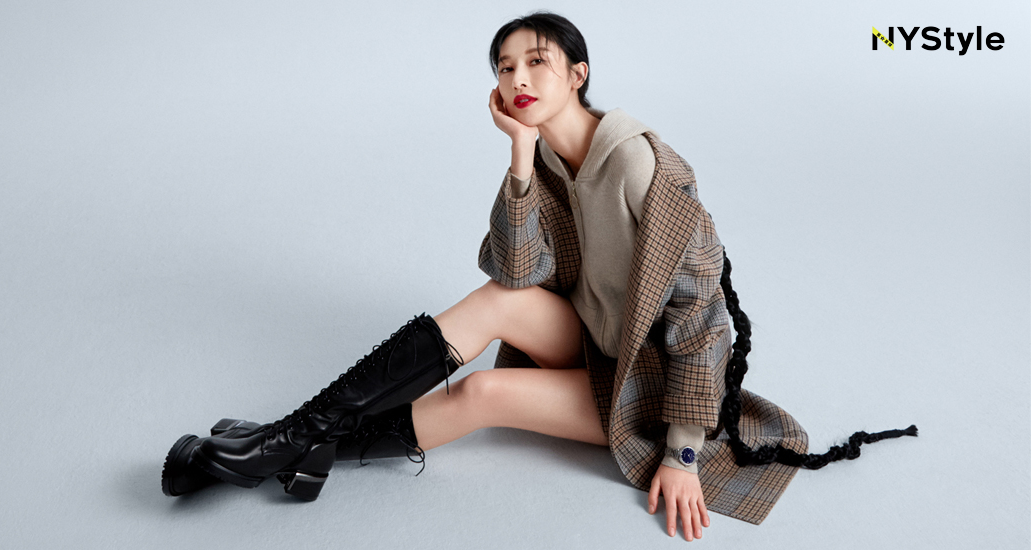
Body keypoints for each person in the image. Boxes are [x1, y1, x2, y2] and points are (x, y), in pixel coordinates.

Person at [162, 11, 917, 540]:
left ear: (578, 73)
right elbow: (517, 270)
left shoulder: (644, 169)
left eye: (536, 62)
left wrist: (684, 455)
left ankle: (281, 450)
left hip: (646, 385)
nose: (517, 76)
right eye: (504, 66)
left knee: (483, 394)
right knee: (499, 298)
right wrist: (520, 157)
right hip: (593, 343)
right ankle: (287, 442)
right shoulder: (552, 158)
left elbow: (701, 321)